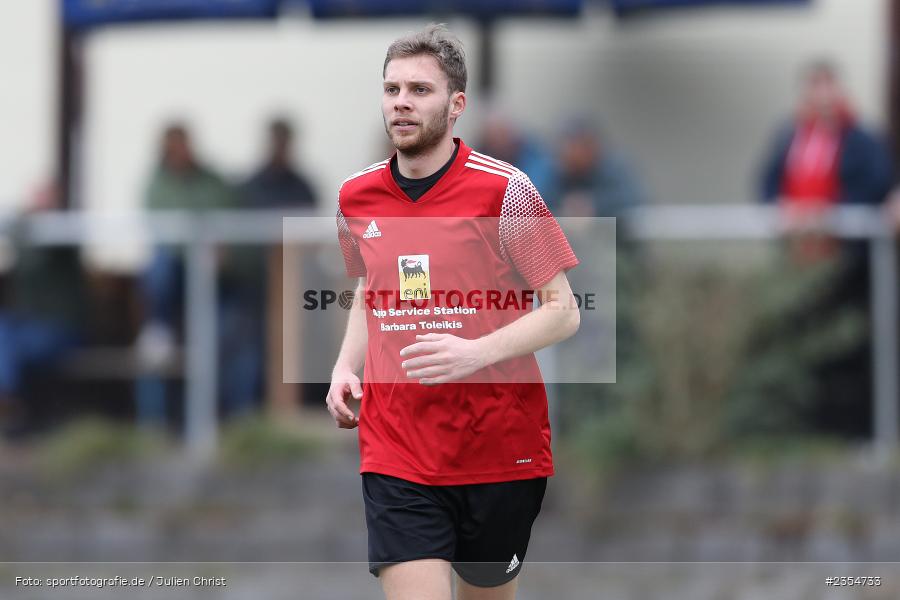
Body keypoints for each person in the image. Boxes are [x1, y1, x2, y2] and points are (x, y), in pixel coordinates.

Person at [328, 24, 581, 600]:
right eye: (392, 89)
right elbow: (371, 290)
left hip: (498, 447)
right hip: (396, 447)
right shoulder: (354, 197)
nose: (402, 102)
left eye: (420, 89)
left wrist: (475, 352)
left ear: (456, 104)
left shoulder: (508, 193)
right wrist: (347, 366)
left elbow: (563, 312)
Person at [240, 117, 317, 209]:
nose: (279, 149)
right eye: (276, 142)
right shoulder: (249, 189)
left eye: (283, 143)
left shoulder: (303, 189)